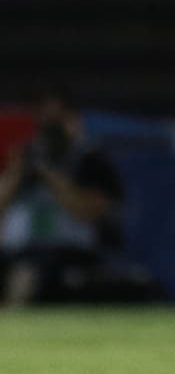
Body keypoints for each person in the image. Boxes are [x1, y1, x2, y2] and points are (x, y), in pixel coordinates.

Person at [0, 90, 152, 306]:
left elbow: (87, 212)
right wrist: (14, 175)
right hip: (19, 248)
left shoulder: (91, 162)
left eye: (57, 122)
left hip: (68, 250)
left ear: (74, 121)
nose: (50, 131)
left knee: (33, 271)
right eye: (44, 122)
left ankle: (14, 320)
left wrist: (51, 175)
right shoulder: (23, 160)